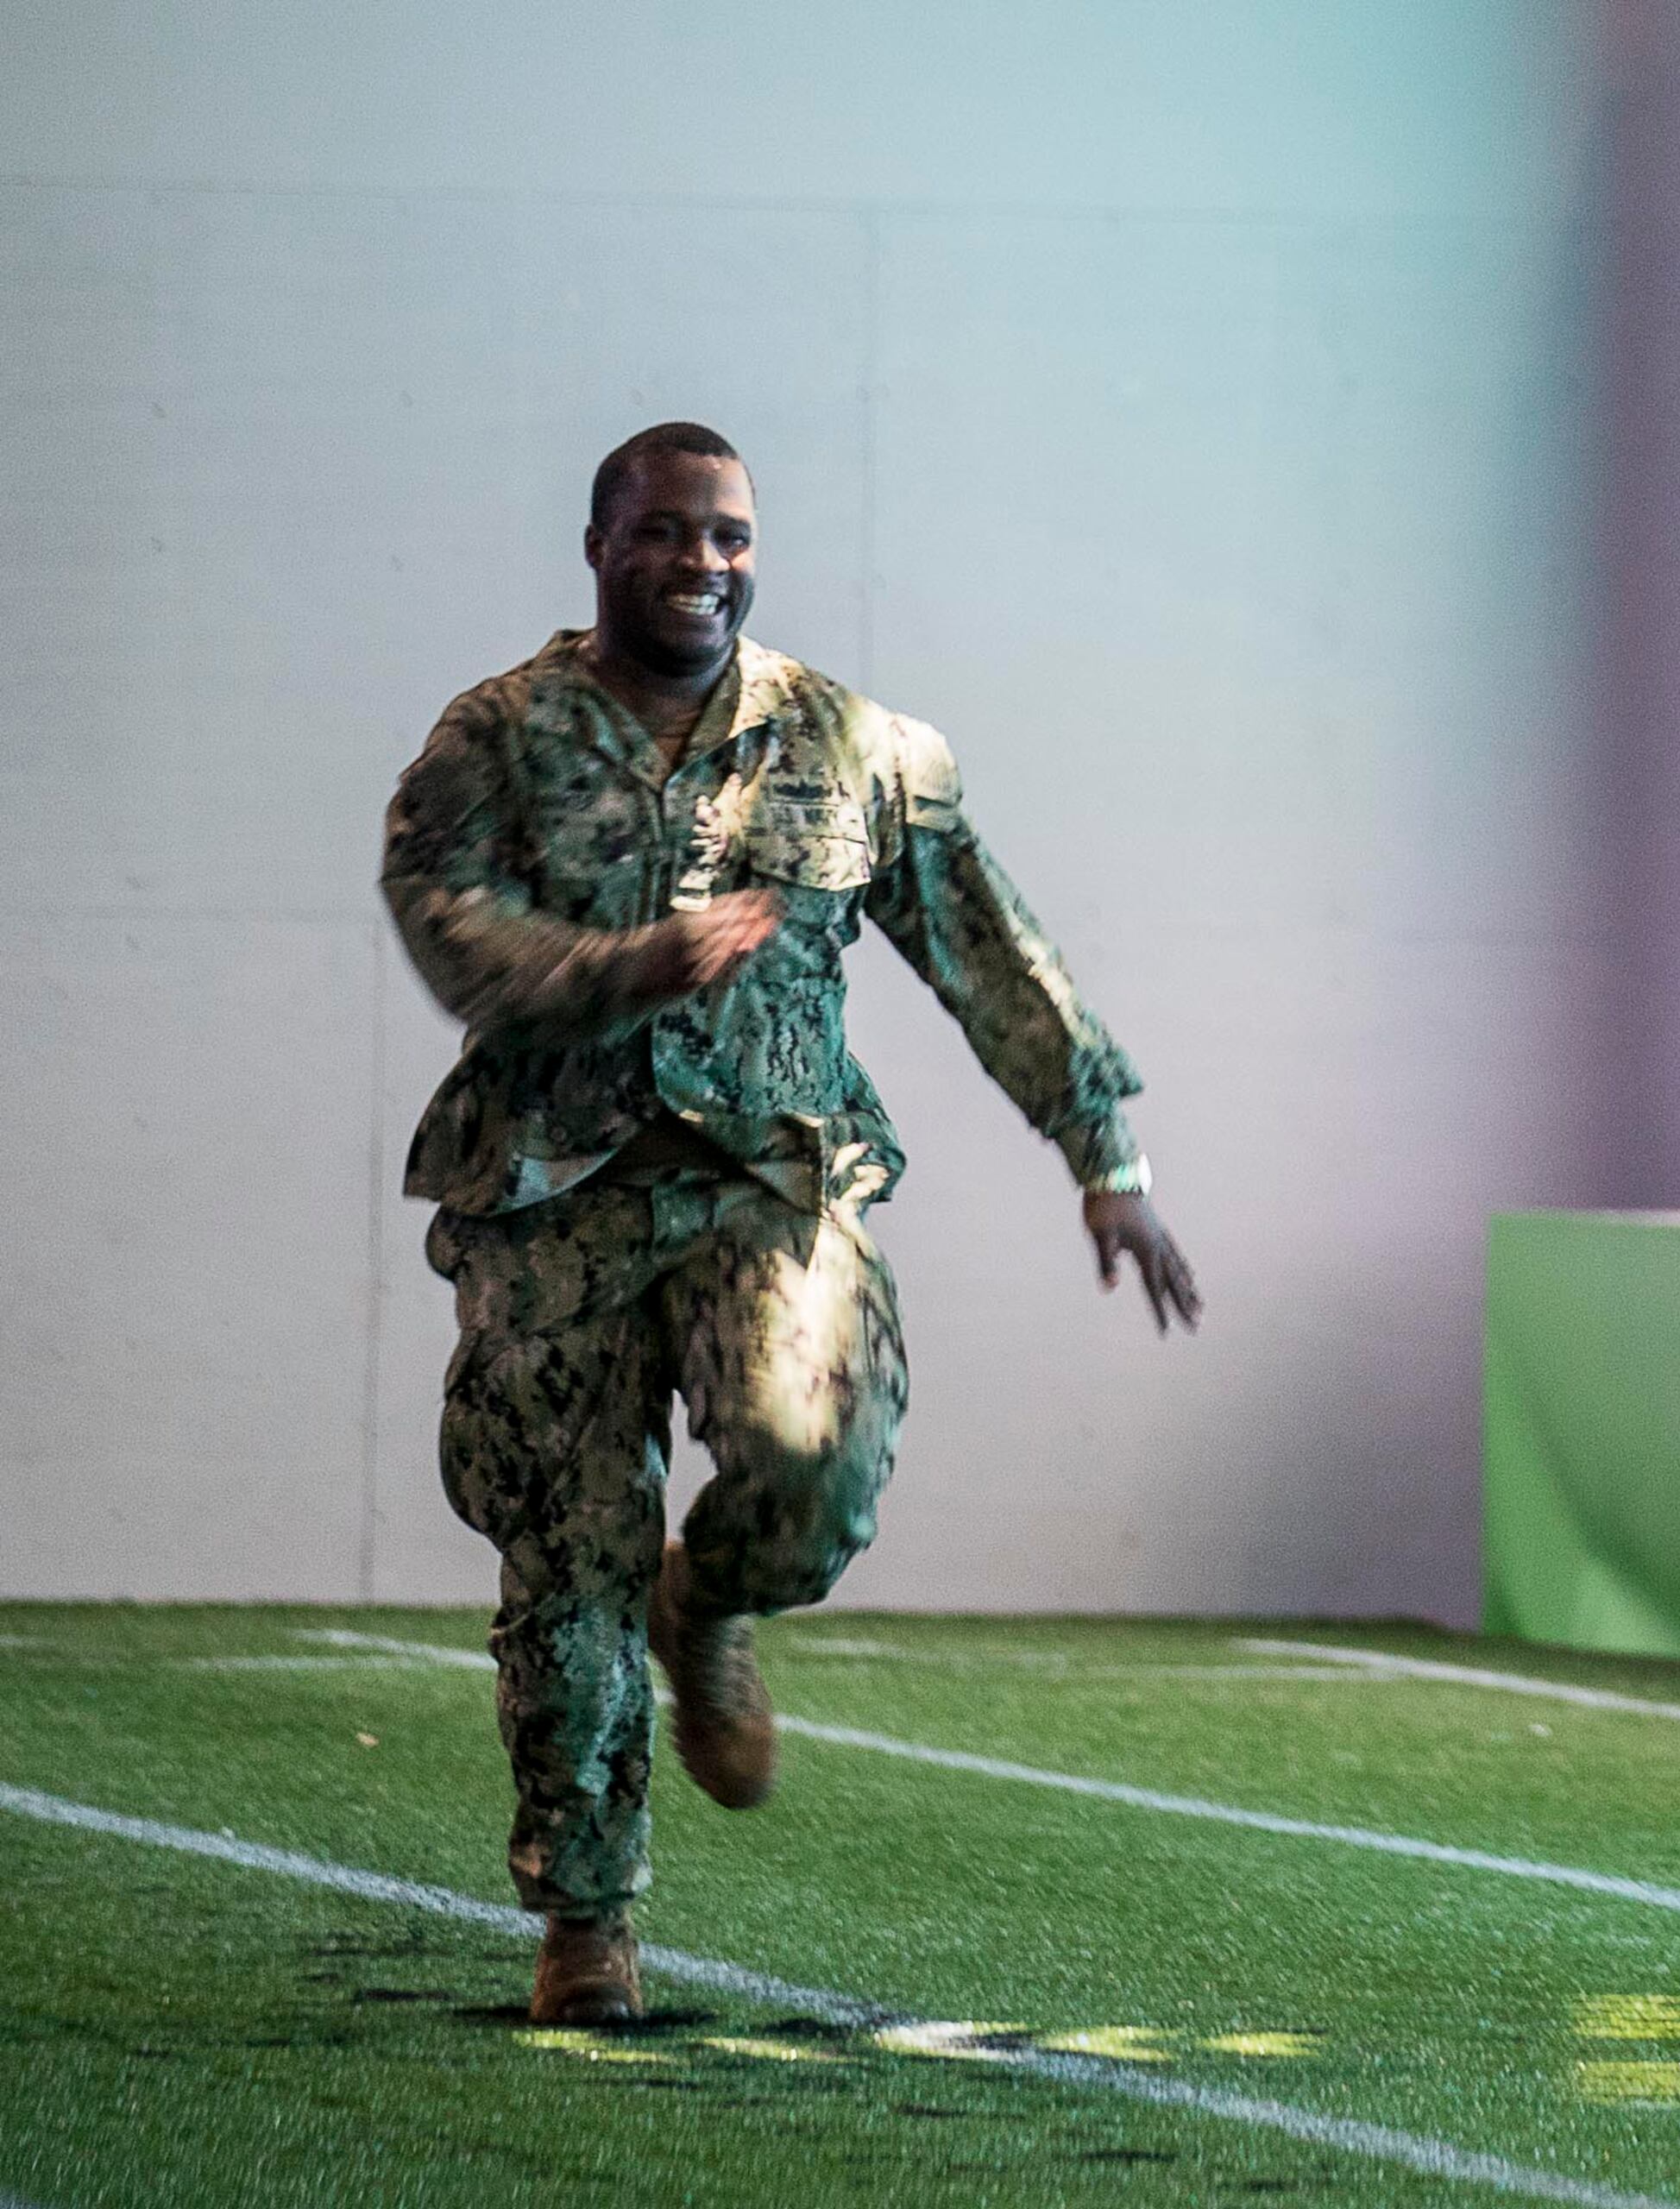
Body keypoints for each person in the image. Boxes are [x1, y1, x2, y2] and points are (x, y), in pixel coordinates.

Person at [382, 422, 1202, 2023]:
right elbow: (447, 930)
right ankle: (589, 1922)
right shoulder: (494, 738)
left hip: (777, 1183)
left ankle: (719, 1603)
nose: (705, 562)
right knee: (567, 1575)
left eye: (731, 536)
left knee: (816, 1462)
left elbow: (988, 946)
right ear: (602, 546)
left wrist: (1104, 1154)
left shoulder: (853, 744)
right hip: (555, 1201)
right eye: (669, 533)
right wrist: (619, 968)